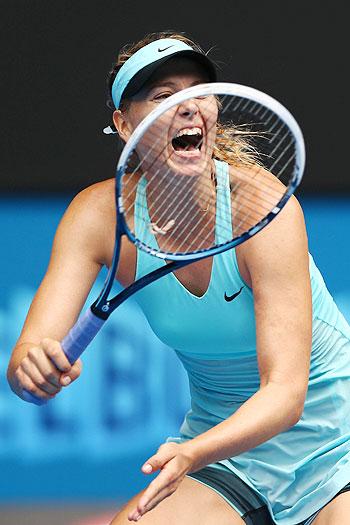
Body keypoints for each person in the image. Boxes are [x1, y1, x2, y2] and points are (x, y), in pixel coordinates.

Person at [7, 30, 350, 525]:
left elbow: (285, 394)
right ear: (124, 125)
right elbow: (29, 354)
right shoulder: (99, 216)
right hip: (229, 450)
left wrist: (193, 452)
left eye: (199, 93)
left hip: (335, 437)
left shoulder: (264, 210)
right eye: (165, 95)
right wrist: (28, 370)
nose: (189, 106)